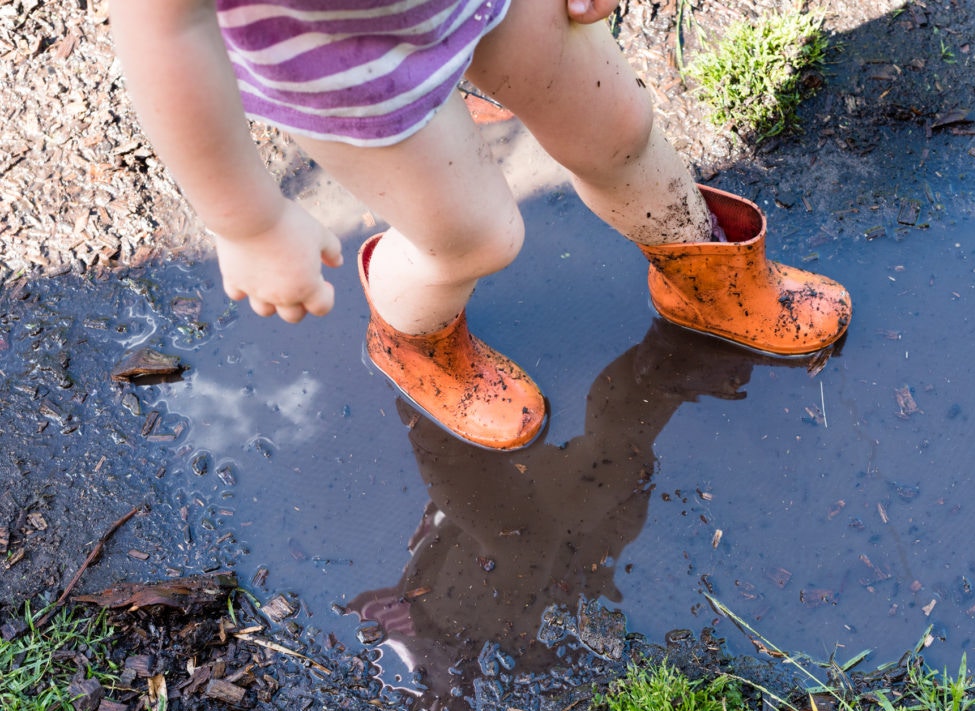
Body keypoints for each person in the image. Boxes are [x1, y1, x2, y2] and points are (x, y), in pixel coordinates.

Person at [108, 0, 852, 451]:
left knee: (617, 123)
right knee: (472, 234)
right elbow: (162, 29)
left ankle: (707, 275)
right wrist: (247, 220)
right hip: (344, 61)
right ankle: (415, 344)